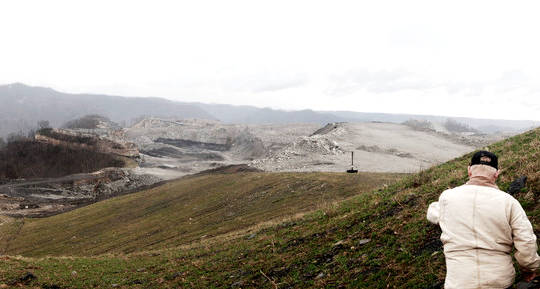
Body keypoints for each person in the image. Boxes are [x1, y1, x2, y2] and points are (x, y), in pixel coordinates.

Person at [427, 150, 540, 289]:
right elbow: (526, 241)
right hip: (499, 281)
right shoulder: (509, 202)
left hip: (460, 281)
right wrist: (529, 268)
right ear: (497, 173)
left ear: (469, 171)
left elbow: (432, 213)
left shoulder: (447, 198)